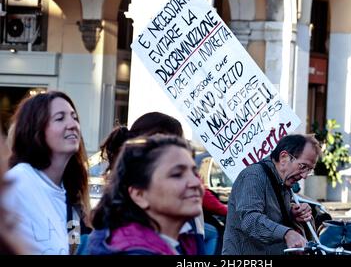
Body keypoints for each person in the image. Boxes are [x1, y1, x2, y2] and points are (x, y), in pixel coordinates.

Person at [96, 111, 205, 254]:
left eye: (194, 172)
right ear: (139, 194)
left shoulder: (184, 238)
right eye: (177, 174)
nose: (195, 183)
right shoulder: (133, 250)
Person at [3, 91, 91, 255]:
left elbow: (73, 249)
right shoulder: (18, 182)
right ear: (36, 129)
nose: (72, 124)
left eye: (74, 117)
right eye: (60, 118)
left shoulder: (71, 196)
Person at [222, 134, 321, 255]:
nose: (305, 176)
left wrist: (293, 213)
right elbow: (250, 220)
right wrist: (287, 233)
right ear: (284, 157)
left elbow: (271, 212)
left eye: (309, 170)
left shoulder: (284, 182)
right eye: (303, 166)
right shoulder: (253, 176)